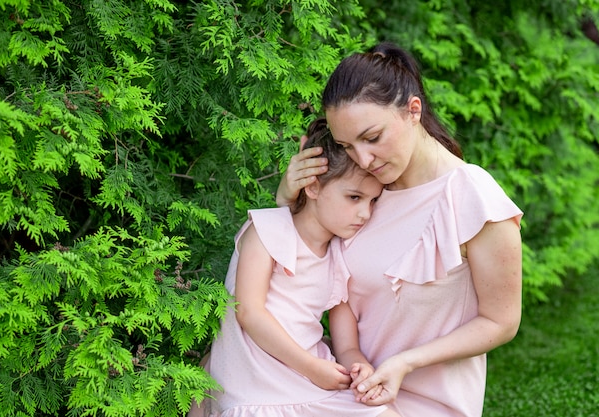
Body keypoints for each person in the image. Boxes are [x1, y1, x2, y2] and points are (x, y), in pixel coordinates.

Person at [276, 42, 524, 417]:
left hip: (419, 404)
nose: (363, 159)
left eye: (372, 138)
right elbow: (293, 278)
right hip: (350, 385)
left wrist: (406, 362)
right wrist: (286, 202)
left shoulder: (471, 194)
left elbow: (501, 321)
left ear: (413, 111)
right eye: (347, 145)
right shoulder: (358, 192)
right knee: (218, 384)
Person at [189, 118, 400, 417]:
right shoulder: (268, 229)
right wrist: (312, 368)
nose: (365, 213)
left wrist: (359, 367)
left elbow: (346, 344)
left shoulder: (340, 256)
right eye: (354, 197)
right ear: (312, 186)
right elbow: (248, 312)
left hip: (310, 383)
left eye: (373, 201)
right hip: (257, 386)